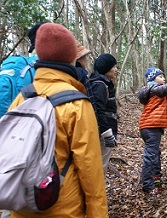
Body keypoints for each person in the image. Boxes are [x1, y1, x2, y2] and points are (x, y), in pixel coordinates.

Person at [8, 23, 108, 217]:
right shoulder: (76, 103)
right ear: (72, 57)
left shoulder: (22, 97)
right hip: (62, 208)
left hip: (22, 205)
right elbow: (90, 168)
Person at [89, 53, 119, 174]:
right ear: (106, 68)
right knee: (100, 166)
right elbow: (99, 110)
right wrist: (107, 133)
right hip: (101, 133)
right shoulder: (100, 85)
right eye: (113, 67)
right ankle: (98, 191)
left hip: (100, 130)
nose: (116, 70)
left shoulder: (98, 82)